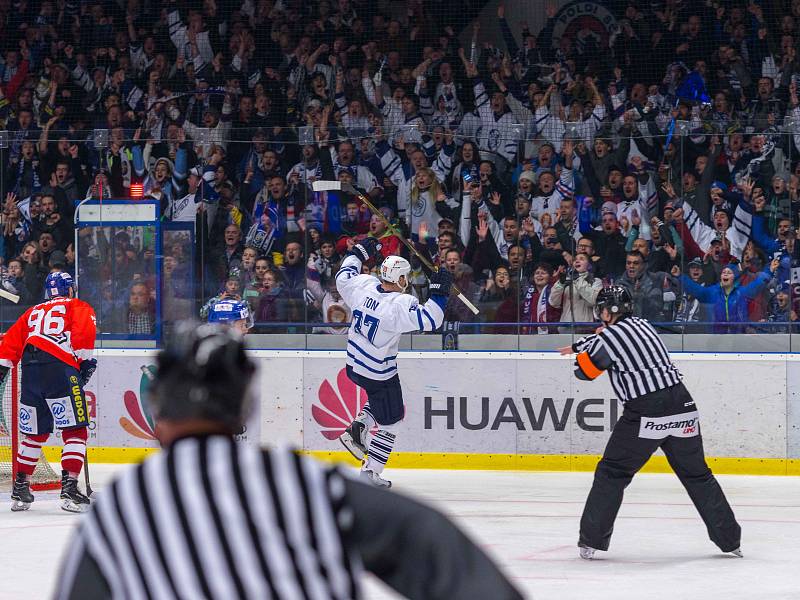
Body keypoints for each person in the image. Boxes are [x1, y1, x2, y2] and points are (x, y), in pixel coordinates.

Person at [56, 323, 523, 600]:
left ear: (155, 408)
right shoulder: (304, 482)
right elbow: (444, 556)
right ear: (244, 406)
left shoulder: (119, 508)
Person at [559, 286, 742, 559]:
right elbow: (609, 340)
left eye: (602, 310)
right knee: (698, 475)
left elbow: (585, 372)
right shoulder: (644, 325)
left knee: (612, 473)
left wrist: (580, 353)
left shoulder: (607, 337)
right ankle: (730, 541)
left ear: (608, 311)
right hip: (682, 404)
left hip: (646, 410)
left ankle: (591, 541)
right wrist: (582, 345)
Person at [336, 237, 452, 487]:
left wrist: (358, 252)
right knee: (393, 422)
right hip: (379, 372)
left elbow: (343, 277)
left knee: (378, 399)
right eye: (406, 278)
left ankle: (359, 426)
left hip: (354, 365)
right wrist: (440, 291)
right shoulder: (399, 305)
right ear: (401, 279)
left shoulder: (364, 286)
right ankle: (370, 474)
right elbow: (432, 319)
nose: (407, 282)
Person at [0, 272, 97, 512]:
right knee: (75, 430)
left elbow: (9, 345)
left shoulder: (32, 312)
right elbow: (84, 336)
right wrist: (84, 363)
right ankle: (70, 490)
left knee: (35, 434)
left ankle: (20, 489)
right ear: (70, 289)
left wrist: (2, 369)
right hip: (59, 368)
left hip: (30, 372)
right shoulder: (78, 305)